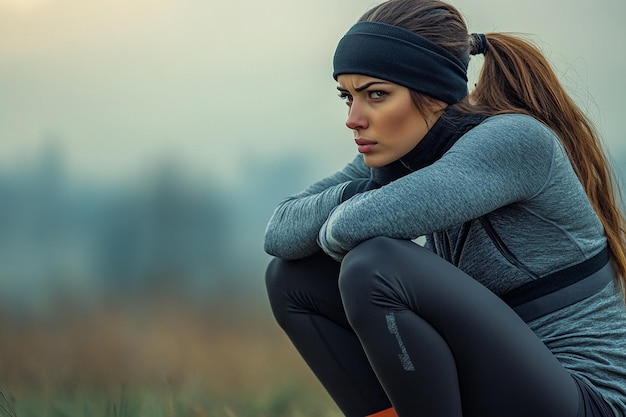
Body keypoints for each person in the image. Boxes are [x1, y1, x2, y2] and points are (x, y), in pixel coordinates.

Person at [263, 0, 626, 416]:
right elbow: (279, 235)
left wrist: (362, 198)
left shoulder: (513, 141)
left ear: (433, 93)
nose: (354, 118)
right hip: (494, 382)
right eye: (348, 97)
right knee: (292, 278)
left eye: (376, 95)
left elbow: (345, 228)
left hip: (585, 401)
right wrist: (358, 191)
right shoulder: (400, 152)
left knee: (374, 266)